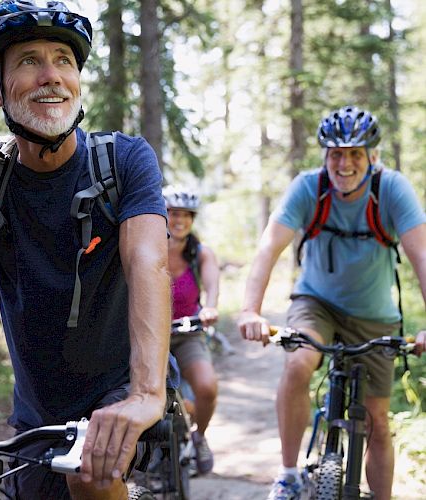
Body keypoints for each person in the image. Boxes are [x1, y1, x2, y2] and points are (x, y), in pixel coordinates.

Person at [0, 2, 175, 499]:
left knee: (90, 476)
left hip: (122, 390)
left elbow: (148, 261)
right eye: (28, 61)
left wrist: (147, 395)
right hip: (35, 413)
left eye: (63, 59)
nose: (51, 76)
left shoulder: (124, 161)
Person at [237, 105, 426, 500]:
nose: (344, 163)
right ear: (325, 156)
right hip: (316, 303)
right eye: (336, 153)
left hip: (375, 317)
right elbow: (268, 248)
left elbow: (421, 256)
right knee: (298, 362)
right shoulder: (309, 188)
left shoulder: (391, 189)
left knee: (375, 419)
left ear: (373, 157)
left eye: (355, 153)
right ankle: (288, 474)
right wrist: (250, 310)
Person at [163, 186, 219, 475]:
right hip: (150, 334)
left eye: (186, 215)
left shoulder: (200, 254)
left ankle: (199, 436)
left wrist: (209, 308)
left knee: (207, 387)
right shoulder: (149, 245)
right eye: (173, 213)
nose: (179, 220)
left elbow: (211, 288)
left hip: (187, 331)